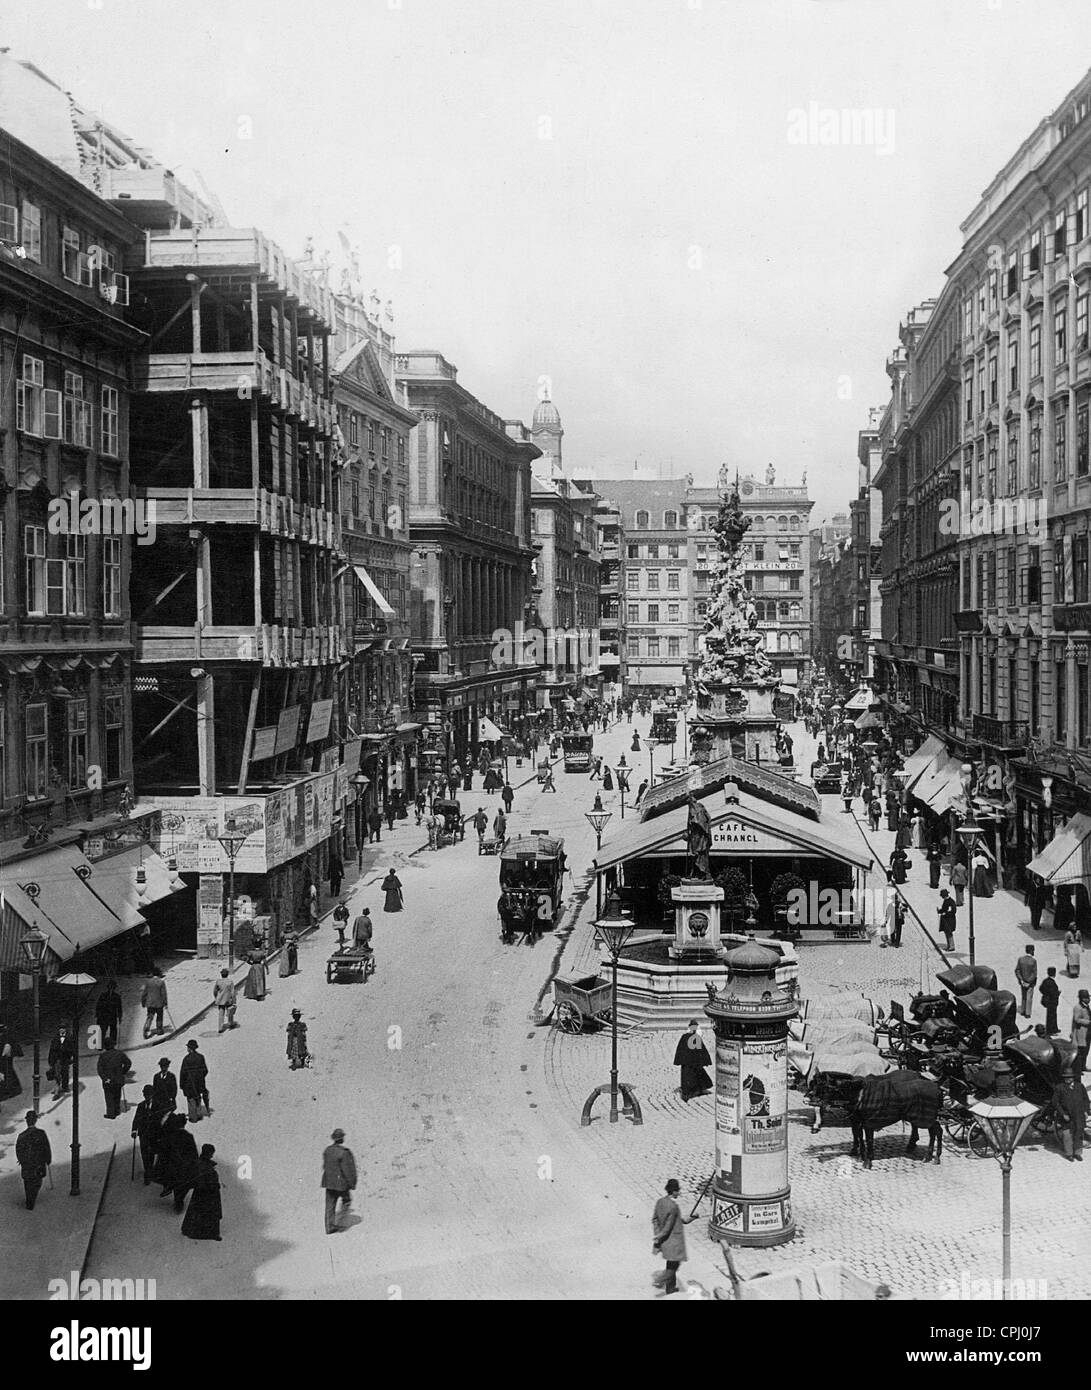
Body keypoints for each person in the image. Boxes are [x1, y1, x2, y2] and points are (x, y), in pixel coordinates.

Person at [651, 1179, 694, 1296]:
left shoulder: (660, 1202)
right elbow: (669, 1226)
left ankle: (670, 1288)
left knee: (670, 1263)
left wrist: (657, 1233)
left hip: (665, 1240)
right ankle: (660, 1281)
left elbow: (655, 1219)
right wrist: (660, 1235)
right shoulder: (673, 1207)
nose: (679, 1193)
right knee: (675, 1266)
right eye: (677, 1191)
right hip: (673, 1240)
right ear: (673, 1191)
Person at [159, 1112, 199, 1213]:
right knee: (183, 1184)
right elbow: (194, 1153)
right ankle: (179, 1201)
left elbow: (165, 1151)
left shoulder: (171, 1136)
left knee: (176, 1183)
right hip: (185, 1166)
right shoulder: (189, 1136)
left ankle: (177, 1200)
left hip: (173, 1165)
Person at [182, 1144, 223, 1240]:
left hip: (207, 1192)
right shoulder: (201, 1164)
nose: (212, 1155)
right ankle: (204, 1233)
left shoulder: (202, 1163)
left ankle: (201, 1231)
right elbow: (199, 1178)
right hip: (206, 1192)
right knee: (204, 1212)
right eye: (211, 1153)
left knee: (201, 1211)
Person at [322, 1127, 358, 1234]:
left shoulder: (327, 1150)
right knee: (346, 1201)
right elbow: (348, 1170)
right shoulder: (344, 1153)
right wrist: (352, 1184)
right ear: (341, 1139)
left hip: (329, 1183)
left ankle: (329, 1227)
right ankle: (341, 1222)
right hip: (341, 1184)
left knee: (330, 1205)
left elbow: (325, 1166)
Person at [15, 1111, 51, 1211]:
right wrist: (48, 1159)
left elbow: (18, 1150)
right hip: (38, 1164)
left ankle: (29, 1200)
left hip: (27, 1165)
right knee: (37, 1182)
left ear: (27, 1121)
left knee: (28, 1182)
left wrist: (22, 1160)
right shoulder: (41, 1134)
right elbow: (46, 1148)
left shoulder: (22, 1136)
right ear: (35, 1120)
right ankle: (31, 1199)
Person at [673, 1020, 712, 1101]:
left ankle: (687, 1092)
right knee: (697, 1075)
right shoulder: (696, 1038)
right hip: (695, 1062)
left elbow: (680, 1049)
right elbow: (701, 1050)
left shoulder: (684, 1037)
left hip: (686, 1062)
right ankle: (693, 1091)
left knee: (687, 1077)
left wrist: (679, 1060)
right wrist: (704, 1061)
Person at [1053, 1073, 1089, 1162]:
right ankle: (1069, 1154)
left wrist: (1085, 1111)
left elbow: (1086, 1100)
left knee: (1079, 1134)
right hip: (1067, 1116)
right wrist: (1063, 1114)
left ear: (1073, 1077)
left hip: (1079, 1115)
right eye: (1065, 1078)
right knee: (1067, 1135)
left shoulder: (1080, 1086)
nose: (1067, 1079)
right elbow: (1055, 1102)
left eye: (1069, 1077)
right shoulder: (1060, 1088)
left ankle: (1077, 1153)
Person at [131, 1085, 157, 1185]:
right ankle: (148, 1172)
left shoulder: (157, 1105)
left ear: (152, 1095)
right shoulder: (141, 1106)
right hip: (143, 1134)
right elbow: (136, 1118)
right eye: (145, 1095)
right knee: (144, 1153)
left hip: (154, 1135)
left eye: (148, 1095)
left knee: (151, 1153)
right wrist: (134, 1130)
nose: (146, 1097)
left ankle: (150, 1169)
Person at [180, 1040, 210, 1120]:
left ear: (189, 1048)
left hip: (189, 1083)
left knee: (191, 1098)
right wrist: (200, 1077)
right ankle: (198, 1113)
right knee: (198, 1096)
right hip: (199, 1082)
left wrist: (182, 1085)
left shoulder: (186, 1059)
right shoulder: (201, 1057)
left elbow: (183, 1073)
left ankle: (193, 1117)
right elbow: (205, 1070)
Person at [47, 1027, 75, 1098]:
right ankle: (57, 1089)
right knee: (57, 1074)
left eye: (63, 1028)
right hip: (57, 1059)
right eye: (60, 1029)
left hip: (65, 1059)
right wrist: (50, 1060)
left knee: (65, 1072)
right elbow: (51, 1050)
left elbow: (72, 1049)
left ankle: (65, 1086)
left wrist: (70, 1056)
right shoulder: (55, 1038)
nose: (61, 1030)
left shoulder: (69, 1038)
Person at [94, 983, 123, 1051]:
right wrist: (97, 1014)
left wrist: (120, 1016)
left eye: (112, 987)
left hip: (112, 1016)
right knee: (102, 1030)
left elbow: (119, 1007)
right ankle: (100, 1045)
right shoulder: (103, 995)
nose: (111, 989)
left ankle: (112, 1045)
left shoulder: (117, 996)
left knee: (113, 1031)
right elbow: (99, 1005)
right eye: (110, 987)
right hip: (103, 1016)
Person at [141, 970, 168, 1038]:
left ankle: (146, 1028)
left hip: (150, 1003)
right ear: (159, 974)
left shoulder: (148, 982)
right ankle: (159, 1030)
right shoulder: (161, 982)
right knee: (159, 1016)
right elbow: (163, 994)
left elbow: (144, 993)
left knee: (150, 1016)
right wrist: (165, 1003)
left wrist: (143, 1002)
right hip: (159, 1003)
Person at [1015, 945, 1038, 1019]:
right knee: (1029, 997)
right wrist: (1029, 982)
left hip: (1022, 982)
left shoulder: (1020, 959)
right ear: (1031, 951)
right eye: (1033, 950)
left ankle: (1022, 1011)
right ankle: (1027, 1013)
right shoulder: (1033, 961)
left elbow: (1017, 970)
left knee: (1024, 996)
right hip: (1030, 983)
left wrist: (1021, 980)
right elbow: (1034, 973)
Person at [1072, 990, 1091, 1073]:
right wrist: (1088, 1022)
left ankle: (1083, 1066)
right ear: (1082, 998)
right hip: (1081, 1032)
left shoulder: (1086, 1006)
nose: (1089, 999)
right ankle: (1078, 1069)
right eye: (1087, 998)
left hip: (1088, 1032)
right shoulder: (1078, 1007)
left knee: (1086, 1051)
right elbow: (1077, 1019)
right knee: (1081, 1052)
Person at [1040, 967, 1061, 1036]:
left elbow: (1041, 988)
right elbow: (1053, 993)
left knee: (1052, 1015)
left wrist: (1045, 994)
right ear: (1054, 973)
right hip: (1052, 1002)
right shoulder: (1051, 982)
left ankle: (1054, 1028)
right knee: (1052, 1016)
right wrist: (1058, 993)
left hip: (1048, 1001)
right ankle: (1051, 1030)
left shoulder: (1045, 981)